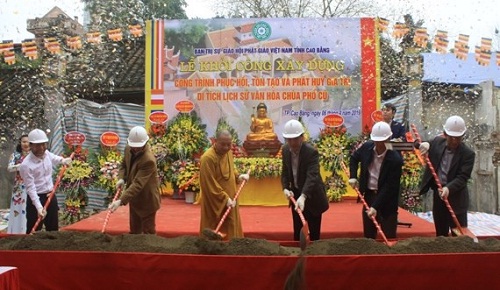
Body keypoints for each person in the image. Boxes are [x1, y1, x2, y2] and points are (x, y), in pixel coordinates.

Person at [417, 115, 475, 237]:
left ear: (463, 136)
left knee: (458, 236)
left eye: (458, 138)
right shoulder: (437, 143)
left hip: (456, 198)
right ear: (445, 134)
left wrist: (448, 188)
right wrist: (425, 144)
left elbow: (463, 177)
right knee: (441, 235)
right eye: (451, 137)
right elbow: (416, 143)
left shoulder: (468, 154)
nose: (454, 141)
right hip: (439, 196)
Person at [349, 122, 404, 239]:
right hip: (369, 195)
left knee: (389, 237)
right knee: (368, 238)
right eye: (376, 141)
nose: (379, 144)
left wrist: (375, 206)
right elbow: (353, 158)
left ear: (389, 139)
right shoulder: (367, 147)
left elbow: (390, 187)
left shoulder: (395, 159)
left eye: (382, 141)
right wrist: (353, 176)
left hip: (387, 201)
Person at [281, 120, 329, 241]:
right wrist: (286, 188)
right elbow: (285, 172)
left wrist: (303, 196)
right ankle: (299, 257)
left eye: (295, 139)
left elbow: (312, 176)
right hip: (296, 195)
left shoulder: (311, 152)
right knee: (298, 233)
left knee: (314, 235)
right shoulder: (285, 150)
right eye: (289, 139)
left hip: (312, 196)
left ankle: (314, 258)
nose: (292, 142)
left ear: (302, 137)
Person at [109, 126, 161, 234]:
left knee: (148, 233)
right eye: (134, 147)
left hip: (147, 200)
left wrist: (121, 200)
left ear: (145, 143)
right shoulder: (128, 148)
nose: (136, 149)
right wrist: (121, 178)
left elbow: (138, 184)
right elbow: (123, 165)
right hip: (134, 198)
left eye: (139, 147)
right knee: (134, 231)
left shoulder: (148, 160)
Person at [19, 129, 73, 233]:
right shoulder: (26, 165)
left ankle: (52, 247)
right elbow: (31, 188)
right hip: (36, 199)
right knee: (34, 229)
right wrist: (39, 207)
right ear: (31, 145)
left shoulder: (46, 153)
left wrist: (63, 160)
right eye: (38, 145)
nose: (42, 148)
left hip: (50, 195)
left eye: (44, 144)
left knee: (53, 228)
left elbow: (55, 158)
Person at [199, 129, 250, 239]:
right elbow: (209, 184)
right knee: (216, 232)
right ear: (215, 141)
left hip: (231, 199)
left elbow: (230, 170)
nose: (226, 148)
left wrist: (238, 176)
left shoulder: (228, 153)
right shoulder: (208, 158)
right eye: (223, 144)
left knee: (231, 226)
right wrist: (224, 199)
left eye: (229, 144)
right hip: (216, 202)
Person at [6, 134, 30, 234]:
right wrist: (21, 166)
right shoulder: (15, 155)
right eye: (24, 141)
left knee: (29, 207)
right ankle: (16, 230)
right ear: (20, 143)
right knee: (18, 207)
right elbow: (9, 168)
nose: (26, 144)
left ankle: (28, 230)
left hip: (31, 184)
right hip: (19, 186)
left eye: (28, 142)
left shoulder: (33, 155)